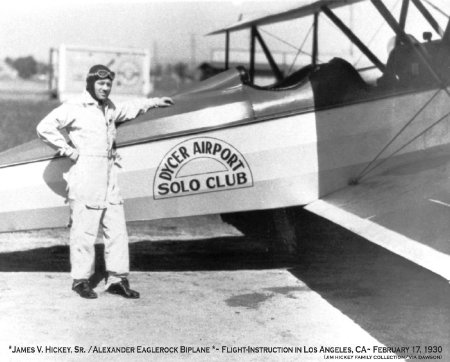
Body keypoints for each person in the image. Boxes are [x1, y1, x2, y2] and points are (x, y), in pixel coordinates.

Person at [36, 64, 173, 299]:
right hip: (86, 173)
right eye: (101, 84)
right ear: (90, 84)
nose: (105, 88)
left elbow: (129, 109)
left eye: (108, 84)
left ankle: (117, 280)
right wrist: (69, 152)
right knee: (85, 230)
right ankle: (81, 280)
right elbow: (44, 128)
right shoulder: (75, 107)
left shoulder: (108, 108)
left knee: (117, 228)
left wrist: (154, 102)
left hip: (109, 173)